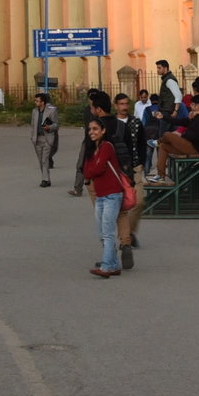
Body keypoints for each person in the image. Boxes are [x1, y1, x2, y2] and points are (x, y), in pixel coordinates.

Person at [79, 114, 128, 277]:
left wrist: (93, 169)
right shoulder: (92, 149)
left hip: (112, 194)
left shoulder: (107, 146)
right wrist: (93, 168)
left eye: (95, 129)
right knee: (101, 233)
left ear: (103, 130)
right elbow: (86, 171)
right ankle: (113, 264)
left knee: (107, 232)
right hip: (100, 195)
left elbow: (96, 170)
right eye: (89, 129)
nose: (91, 132)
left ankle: (107, 266)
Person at [108, 92, 146, 266]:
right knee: (118, 207)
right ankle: (123, 240)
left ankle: (128, 233)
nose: (124, 107)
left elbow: (142, 144)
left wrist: (141, 164)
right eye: (121, 104)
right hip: (116, 170)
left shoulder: (136, 123)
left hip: (135, 167)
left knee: (139, 201)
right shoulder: (110, 124)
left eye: (126, 103)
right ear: (116, 105)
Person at [30, 91, 60, 187]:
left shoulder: (51, 110)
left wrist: (49, 128)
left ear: (42, 102)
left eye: (37, 101)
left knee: (44, 159)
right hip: (37, 138)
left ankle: (45, 180)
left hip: (47, 138)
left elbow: (56, 125)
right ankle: (45, 178)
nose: (35, 102)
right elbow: (32, 125)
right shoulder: (34, 111)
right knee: (40, 160)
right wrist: (32, 137)